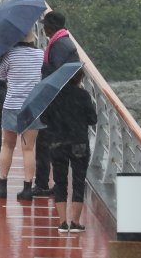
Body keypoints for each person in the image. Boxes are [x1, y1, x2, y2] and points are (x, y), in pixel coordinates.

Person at [40, 69, 97, 232]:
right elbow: (93, 119)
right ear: (79, 79)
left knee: (60, 182)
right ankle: (76, 222)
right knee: (78, 182)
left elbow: (44, 119)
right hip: (79, 143)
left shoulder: (53, 95)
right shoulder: (83, 95)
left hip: (57, 144)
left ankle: (63, 223)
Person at [33, 10, 81, 196]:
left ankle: (44, 184)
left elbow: (57, 75)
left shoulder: (60, 45)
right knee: (54, 144)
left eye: (45, 25)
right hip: (60, 101)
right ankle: (54, 184)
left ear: (51, 27)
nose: (43, 28)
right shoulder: (62, 42)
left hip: (57, 102)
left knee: (47, 143)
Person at [0, 32, 45, 201]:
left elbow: (0, 75)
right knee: (29, 148)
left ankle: (2, 186)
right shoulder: (40, 55)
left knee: (7, 146)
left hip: (11, 106)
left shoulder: (10, 55)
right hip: (32, 107)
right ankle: (27, 188)